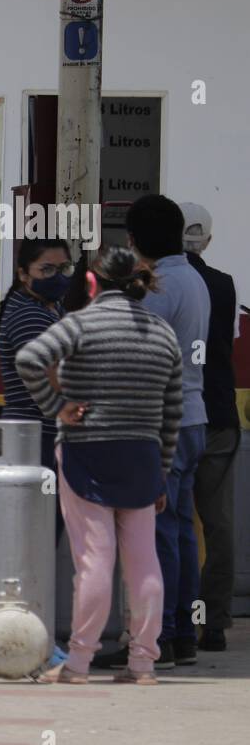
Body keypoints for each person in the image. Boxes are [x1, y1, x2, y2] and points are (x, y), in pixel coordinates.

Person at [16, 247, 182, 685]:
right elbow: (172, 412)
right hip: (143, 458)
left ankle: (79, 664)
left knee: (94, 562)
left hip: (88, 454)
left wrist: (58, 405)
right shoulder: (163, 334)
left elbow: (29, 359)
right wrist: (162, 471)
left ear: (92, 283)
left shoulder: (79, 324)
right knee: (144, 563)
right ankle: (144, 663)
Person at [129, 194, 211, 669]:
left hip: (163, 421)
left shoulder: (158, 286)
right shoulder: (195, 279)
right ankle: (182, 633)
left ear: (135, 240)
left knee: (155, 531)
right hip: (194, 415)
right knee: (179, 529)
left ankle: (155, 636)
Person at [179, 202, 240, 652]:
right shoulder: (223, 285)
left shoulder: (161, 283)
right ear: (210, 240)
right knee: (216, 522)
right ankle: (214, 622)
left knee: (174, 521)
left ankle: (174, 620)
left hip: (177, 416)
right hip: (219, 413)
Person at [0, 237, 73, 537]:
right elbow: (57, 377)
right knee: (36, 534)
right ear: (24, 274)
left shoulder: (51, 308)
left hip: (44, 436)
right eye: (46, 269)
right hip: (34, 441)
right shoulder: (29, 314)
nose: (58, 277)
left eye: (64, 268)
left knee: (43, 531)